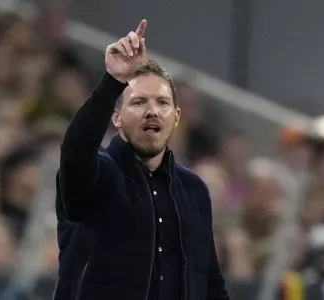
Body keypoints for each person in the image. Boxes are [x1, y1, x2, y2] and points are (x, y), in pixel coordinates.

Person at [54, 19, 230, 300]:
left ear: (176, 118)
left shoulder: (194, 189)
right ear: (117, 118)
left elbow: (209, 282)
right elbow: (75, 152)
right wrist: (113, 81)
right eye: (138, 102)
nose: (152, 111)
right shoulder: (98, 174)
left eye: (162, 103)